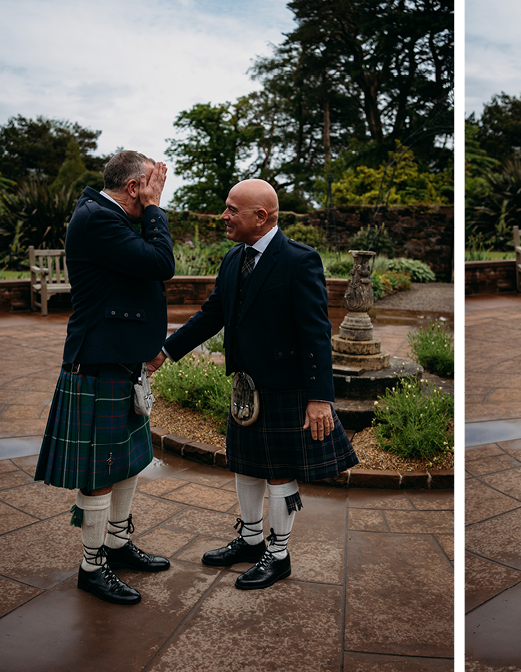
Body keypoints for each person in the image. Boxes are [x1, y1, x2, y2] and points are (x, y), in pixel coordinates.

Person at [148, 179, 357, 590]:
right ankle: (250, 539)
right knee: (246, 466)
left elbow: (316, 331)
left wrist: (319, 398)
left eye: (231, 209)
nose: (223, 216)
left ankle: (277, 556)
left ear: (260, 216)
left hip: (286, 387)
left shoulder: (299, 259)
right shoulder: (232, 259)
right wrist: (165, 353)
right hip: (246, 387)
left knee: (279, 472)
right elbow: (212, 315)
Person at [34, 151, 174, 605]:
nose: (156, 196)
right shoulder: (98, 218)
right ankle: (92, 568)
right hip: (99, 364)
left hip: (120, 360)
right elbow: (160, 263)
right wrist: (154, 210)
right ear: (134, 186)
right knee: (100, 473)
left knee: (126, 463)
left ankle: (116, 542)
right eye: (150, 187)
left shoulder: (106, 215)